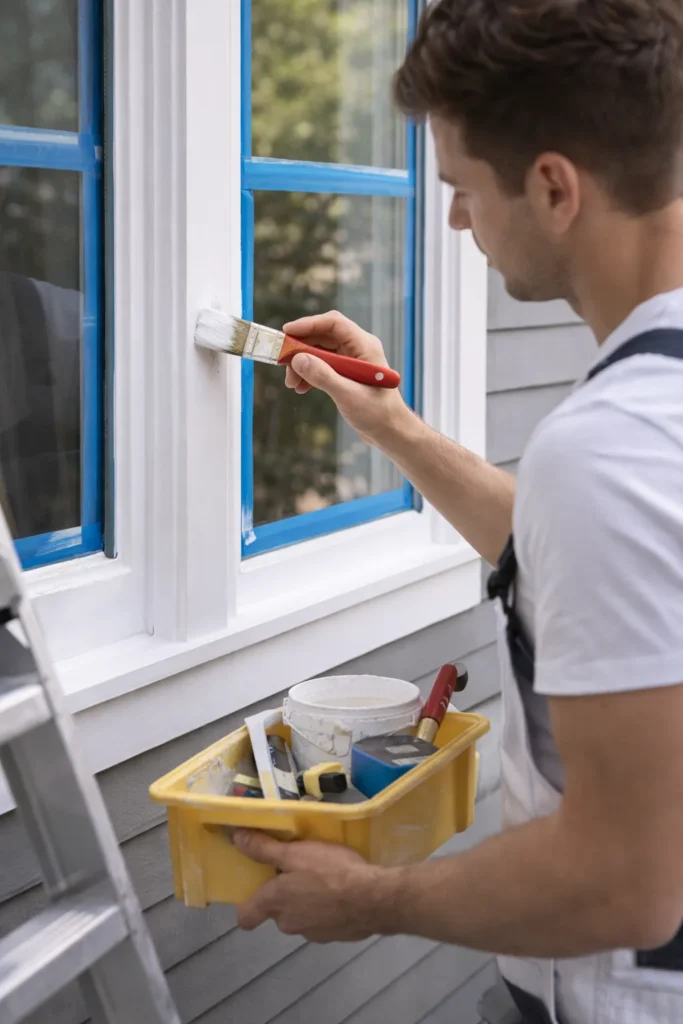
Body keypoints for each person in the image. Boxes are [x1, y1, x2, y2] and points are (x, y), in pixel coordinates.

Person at [234, 2, 683, 1022]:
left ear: (552, 186)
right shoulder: (648, 425)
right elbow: (606, 560)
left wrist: (371, 897)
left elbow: (623, 880)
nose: (451, 222)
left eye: (458, 190)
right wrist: (393, 426)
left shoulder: (607, 448)